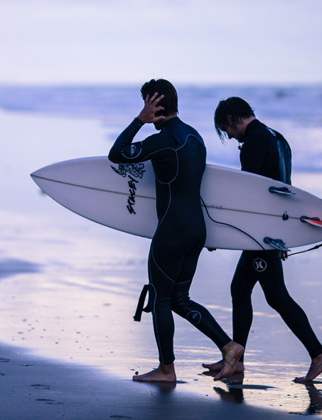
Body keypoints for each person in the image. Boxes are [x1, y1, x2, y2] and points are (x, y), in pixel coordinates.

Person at [108, 79, 244, 383]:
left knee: (161, 299)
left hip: (172, 229)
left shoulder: (165, 139)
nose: (143, 109)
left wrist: (139, 121)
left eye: (146, 104)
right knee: (180, 299)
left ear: (154, 105)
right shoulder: (194, 137)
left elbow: (117, 154)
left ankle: (166, 369)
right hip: (196, 228)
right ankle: (229, 346)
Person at [202, 97, 322, 383]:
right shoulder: (277, 138)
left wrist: (219, 233)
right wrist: (283, 234)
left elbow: (247, 195)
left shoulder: (254, 142)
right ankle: (236, 359)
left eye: (226, 129)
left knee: (276, 296)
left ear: (231, 119)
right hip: (271, 229)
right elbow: (284, 187)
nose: (229, 136)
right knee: (240, 289)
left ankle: (318, 354)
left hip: (260, 233)